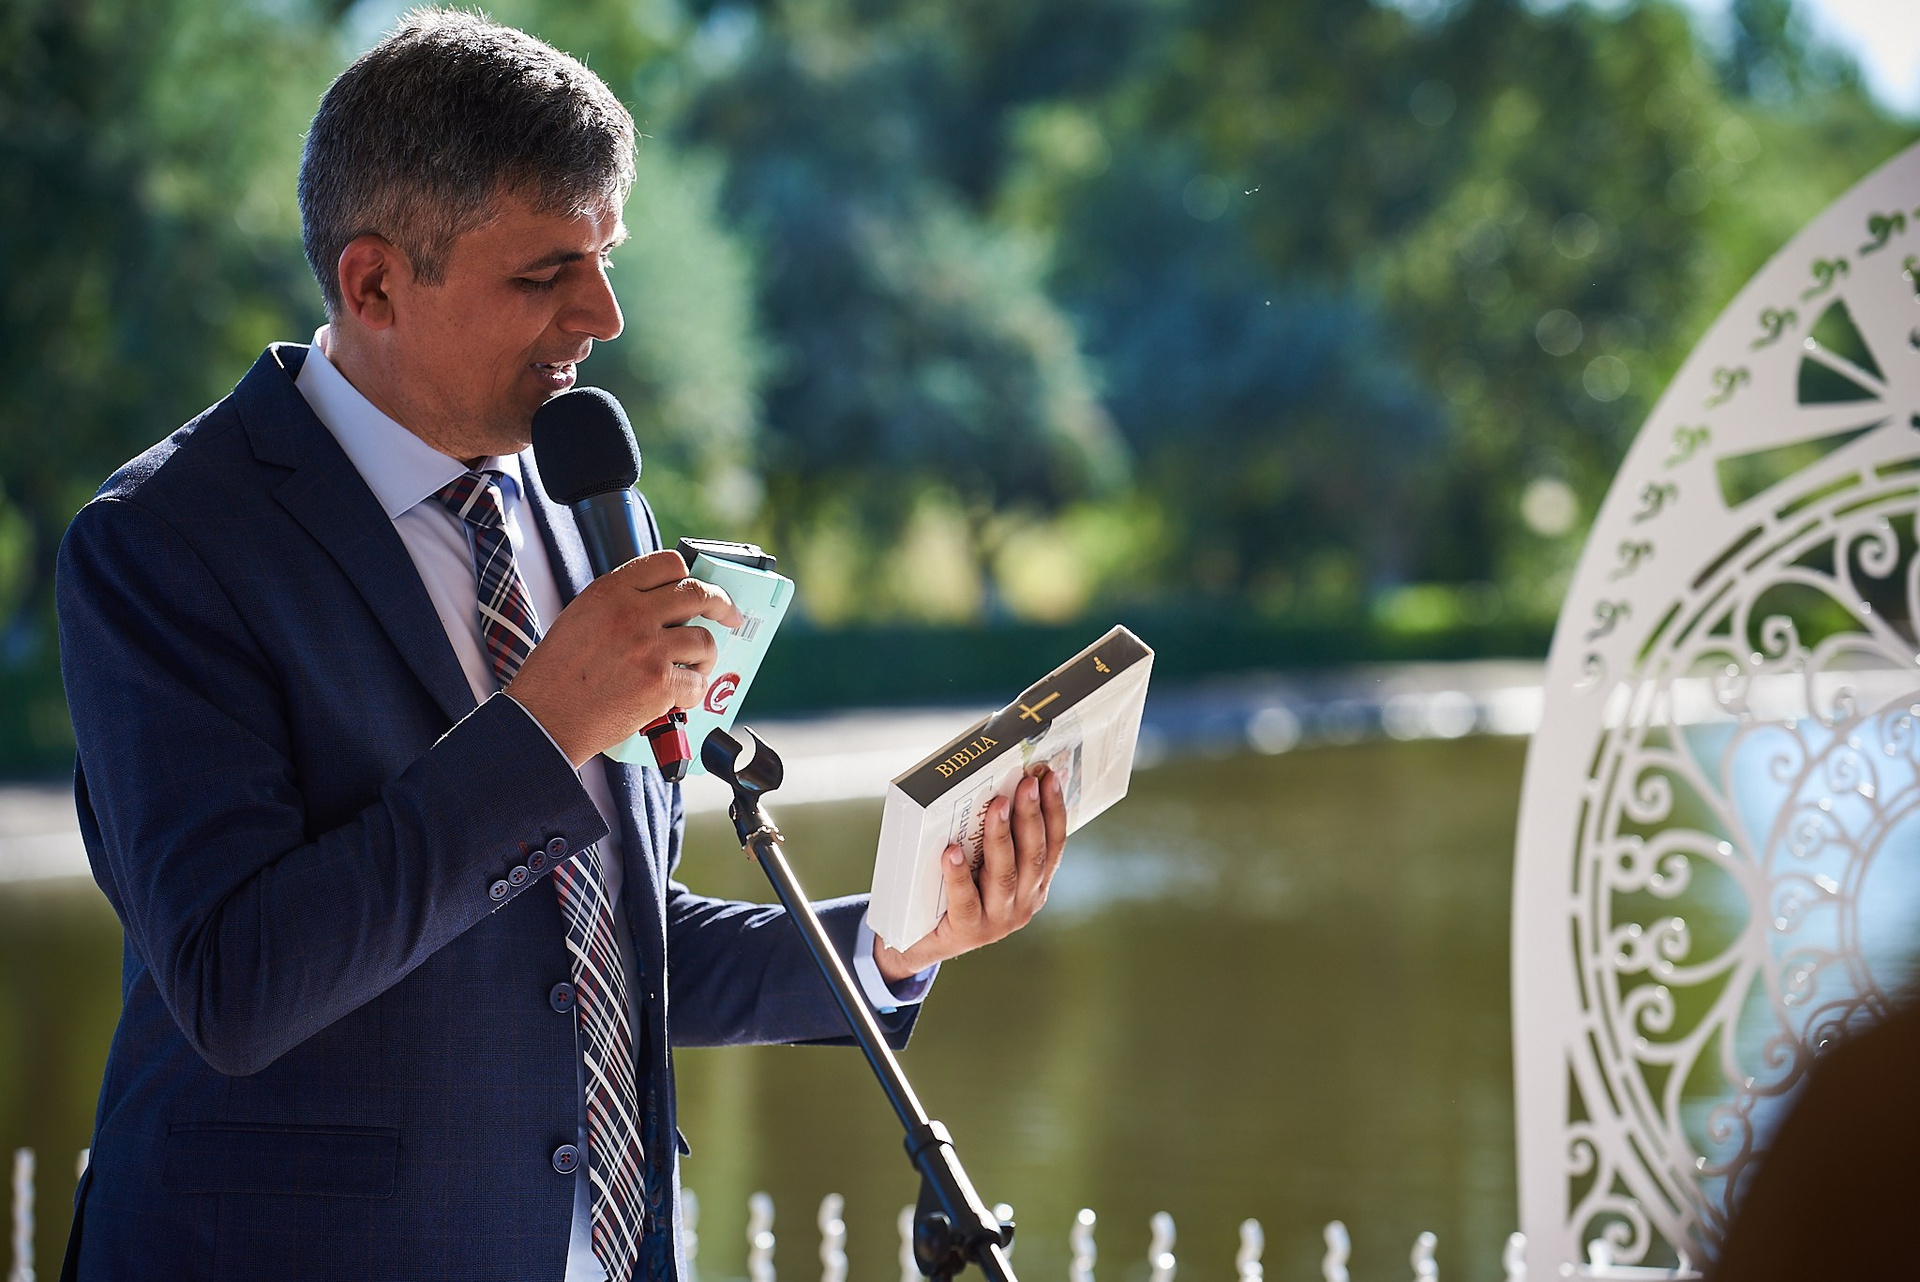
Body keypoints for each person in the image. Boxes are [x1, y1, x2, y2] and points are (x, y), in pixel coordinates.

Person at [54, 11, 1067, 1280]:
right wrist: (543, 728)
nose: (604, 316)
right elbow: (235, 982)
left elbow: (596, 941)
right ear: (373, 284)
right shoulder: (161, 543)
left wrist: (894, 941)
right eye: (545, 274)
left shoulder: (590, 501)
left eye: (606, 257)